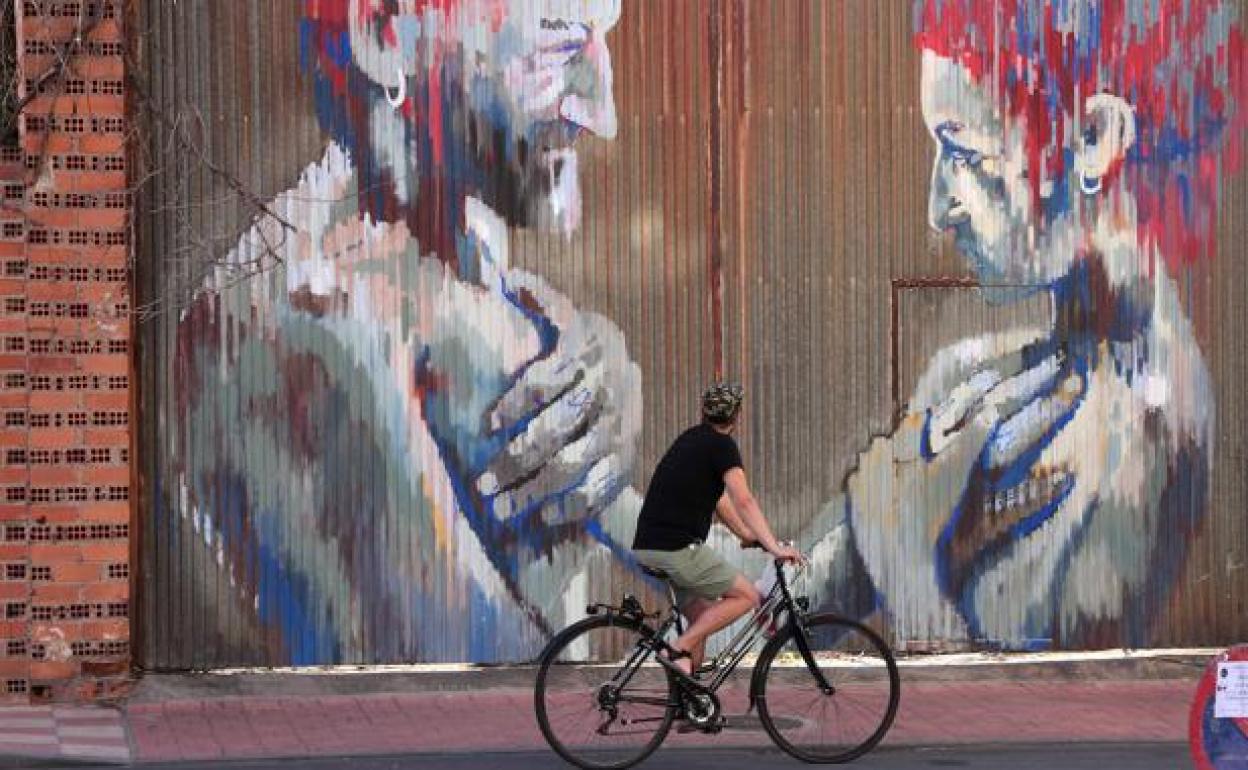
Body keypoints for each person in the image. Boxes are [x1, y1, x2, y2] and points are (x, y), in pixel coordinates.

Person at [173, 0, 643, 663]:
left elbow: (733, 592)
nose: (606, 118)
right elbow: (487, 706)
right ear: (382, 34)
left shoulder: (467, 277)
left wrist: (600, 394)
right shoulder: (306, 324)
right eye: (561, 34)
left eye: (603, 31)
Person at [803, 0, 1245, 650]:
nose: (937, 210)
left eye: (964, 155)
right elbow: (780, 608)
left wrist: (893, 536)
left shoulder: (1148, 434)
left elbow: (1059, 690)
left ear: (1091, 139)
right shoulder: (982, 376)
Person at [632, 383, 803, 676]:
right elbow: (744, 500)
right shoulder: (722, 446)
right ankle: (676, 648)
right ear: (737, 415)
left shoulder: (692, 439)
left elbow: (720, 500)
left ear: (703, 411)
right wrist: (774, 546)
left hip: (651, 545)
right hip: (677, 548)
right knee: (748, 597)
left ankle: (688, 698)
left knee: (700, 620)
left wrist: (746, 537)